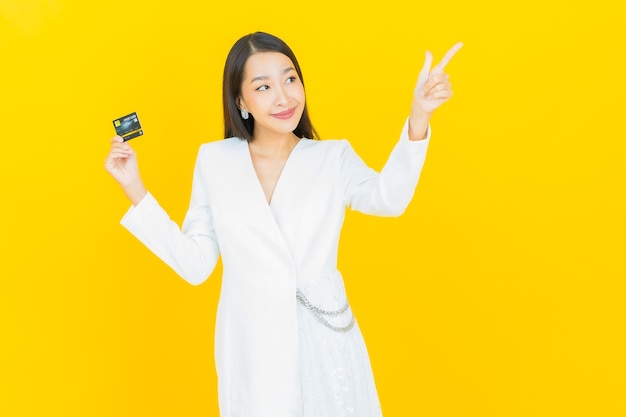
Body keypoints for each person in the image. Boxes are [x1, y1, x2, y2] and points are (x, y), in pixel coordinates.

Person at [105, 32, 461, 417]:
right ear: (240, 100)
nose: (283, 96)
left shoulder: (331, 157)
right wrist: (135, 189)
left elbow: (388, 199)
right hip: (253, 345)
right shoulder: (215, 161)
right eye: (264, 86)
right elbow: (196, 265)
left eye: (290, 79)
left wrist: (419, 116)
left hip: (324, 338)